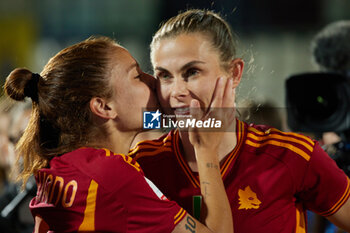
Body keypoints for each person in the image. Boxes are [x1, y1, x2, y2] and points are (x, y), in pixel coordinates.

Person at [129, 9, 350, 233]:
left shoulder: (291, 154)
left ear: (234, 73)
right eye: (165, 75)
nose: (176, 91)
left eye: (192, 71)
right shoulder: (141, 164)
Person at [4, 36, 234, 233]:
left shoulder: (63, 167)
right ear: (103, 107)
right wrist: (205, 149)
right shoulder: (111, 175)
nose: (153, 82)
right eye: (137, 76)